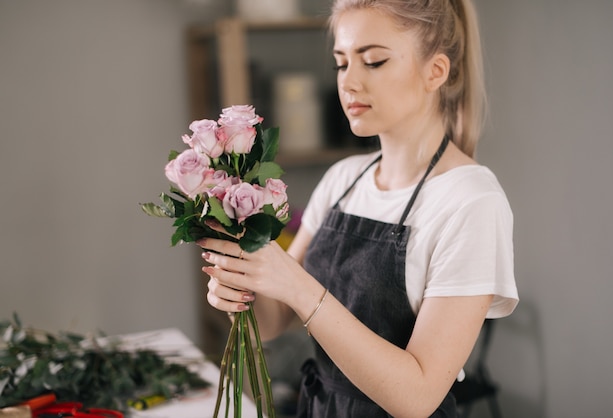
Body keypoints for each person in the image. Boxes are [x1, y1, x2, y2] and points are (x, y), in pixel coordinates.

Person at [197, 0, 519, 416]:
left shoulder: (471, 201)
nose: (348, 83)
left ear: (435, 71)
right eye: (341, 63)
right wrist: (239, 286)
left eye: (374, 61)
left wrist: (297, 284)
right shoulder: (344, 179)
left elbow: (417, 396)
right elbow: (274, 321)